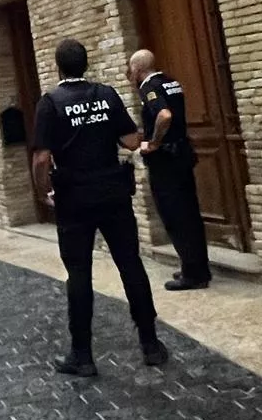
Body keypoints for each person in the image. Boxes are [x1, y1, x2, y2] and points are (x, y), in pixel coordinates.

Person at [32, 40, 169, 377]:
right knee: (130, 264)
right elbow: (131, 141)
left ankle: (82, 355)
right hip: (112, 191)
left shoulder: (50, 103)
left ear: (59, 68)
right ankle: (150, 344)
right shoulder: (106, 94)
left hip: (73, 196)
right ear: (86, 64)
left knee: (79, 272)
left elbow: (41, 158)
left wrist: (43, 190)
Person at [127, 50, 212, 291]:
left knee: (175, 215)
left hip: (166, 160)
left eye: (131, 69)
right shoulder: (171, 81)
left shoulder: (149, 87)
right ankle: (196, 266)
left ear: (137, 69)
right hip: (182, 154)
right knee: (190, 213)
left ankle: (193, 274)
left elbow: (164, 115)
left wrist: (154, 142)